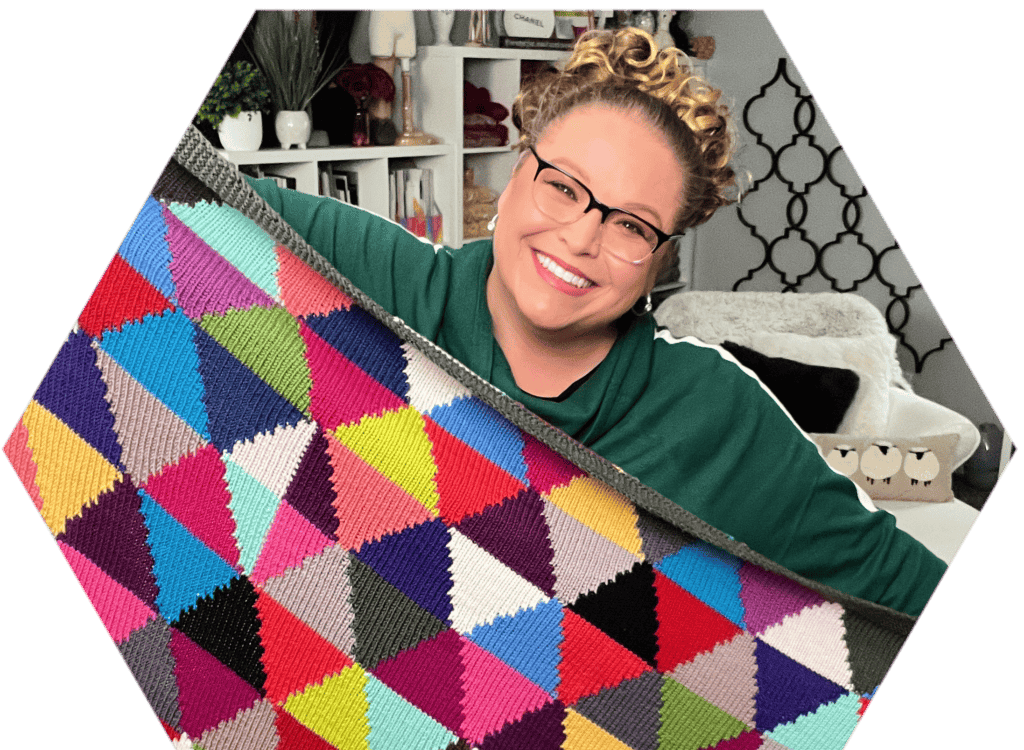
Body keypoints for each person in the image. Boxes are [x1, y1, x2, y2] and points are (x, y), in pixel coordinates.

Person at [245, 28, 945, 616]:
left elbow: (909, 595)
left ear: (661, 256)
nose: (582, 237)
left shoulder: (714, 412)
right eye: (564, 187)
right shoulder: (379, 278)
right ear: (518, 174)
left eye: (632, 225)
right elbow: (177, 205)